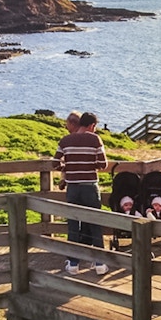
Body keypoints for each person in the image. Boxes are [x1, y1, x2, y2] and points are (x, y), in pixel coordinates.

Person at [53, 111, 109, 275]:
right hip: (90, 187)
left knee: (73, 224)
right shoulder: (95, 139)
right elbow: (103, 164)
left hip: (73, 188)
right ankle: (99, 263)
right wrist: (90, 165)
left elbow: (54, 163)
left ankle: (73, 264)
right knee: (94, 223)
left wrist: (67, 168)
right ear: (92, 125)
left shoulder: (65, 140)